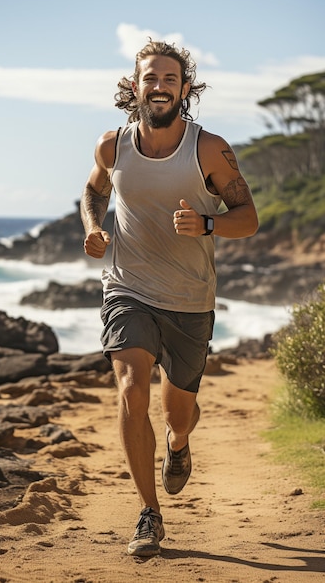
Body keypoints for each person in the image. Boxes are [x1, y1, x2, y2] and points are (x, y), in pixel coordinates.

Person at [81, 39, 259, 557]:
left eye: (169, 79)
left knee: (178, 412)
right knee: (133, 390)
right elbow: (94, 190)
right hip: (128, 289)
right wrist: (94, 227)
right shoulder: (113, 145)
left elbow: (248, 219)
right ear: (134, 85)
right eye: (150, 78)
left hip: (189, 299)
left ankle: (179, 443)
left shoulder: (208, 148)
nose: (159, 87)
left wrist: (207, 223)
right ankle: (148, 515)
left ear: (185, 88)